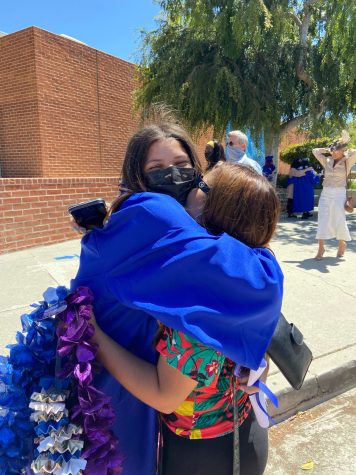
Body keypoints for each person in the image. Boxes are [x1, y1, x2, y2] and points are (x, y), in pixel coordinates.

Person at [71, 123, 283, 475]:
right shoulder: (227, 266)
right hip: (237, 437)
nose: (176, 179)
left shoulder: (200, 294)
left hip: (204, 453)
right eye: (155, 170)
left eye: (192, 175)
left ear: (214, 209)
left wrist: (90, 333)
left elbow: (165, 394)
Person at [312, 131, 356, 259]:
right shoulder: (327, 161)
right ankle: (321, 249)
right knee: (322, 218)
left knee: (338, 218)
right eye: (333, 150)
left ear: (343, 151)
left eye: (337, 150)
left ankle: (342, 244)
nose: (334, 152)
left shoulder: (348, 161)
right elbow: (315, 151)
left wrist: (345, 143)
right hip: (326, 192)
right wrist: (329, 148)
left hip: (339, 192)